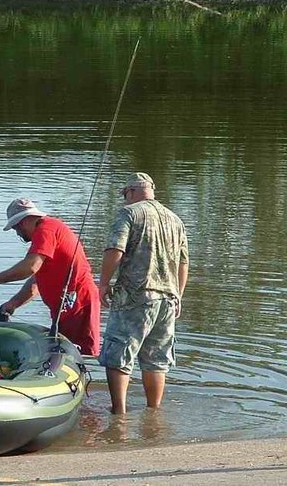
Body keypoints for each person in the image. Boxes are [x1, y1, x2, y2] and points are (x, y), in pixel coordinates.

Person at [99, 172, 189, 414]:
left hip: (135, 294)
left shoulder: (129, 213)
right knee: (157, 359)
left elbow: (115, 249)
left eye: (125, 196)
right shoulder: (175, 219)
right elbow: (183, 263)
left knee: (119, 353)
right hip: (168, 299)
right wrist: (178, 295)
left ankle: (119, 412)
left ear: (130, 192)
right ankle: (153, 412)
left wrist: (103, 283)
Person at [0, 198, 101, 357]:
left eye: (17, 228)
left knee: (81, 356)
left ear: (24, 222)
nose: (18, 233)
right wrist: (14, 303)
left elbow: (30, 266)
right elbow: (37, 280)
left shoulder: (46, 230)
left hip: (79, 305)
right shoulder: (46, 232)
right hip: (65, 308)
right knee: (63, 355)